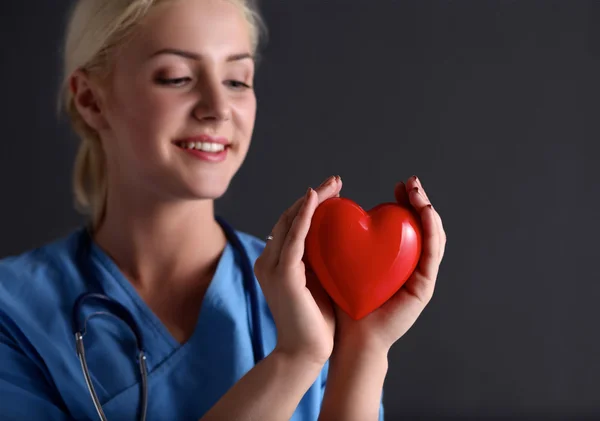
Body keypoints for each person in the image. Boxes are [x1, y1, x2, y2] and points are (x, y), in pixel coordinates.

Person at [0, 0, 447, 420]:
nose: (218, 109)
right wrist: (296, 359)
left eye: (237, 80)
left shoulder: (326, 289)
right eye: (176, 77)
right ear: (91, 100)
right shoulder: (14, 313)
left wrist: (363, 347)